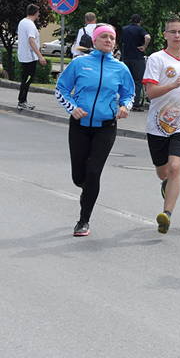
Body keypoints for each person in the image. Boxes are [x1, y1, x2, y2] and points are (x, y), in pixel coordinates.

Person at [55, 24, 135, 236]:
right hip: (79, 126)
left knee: (93, 172)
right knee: (78, 176)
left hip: (106, 127)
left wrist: (125, 107)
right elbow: (61, 88)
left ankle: (83, 221)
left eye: (112, 38)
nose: (109, 40)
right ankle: (86, 188)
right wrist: (72, 108)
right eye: (104, 37)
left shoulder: (120, 68)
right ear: (95, 40)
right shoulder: (79, 63)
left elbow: (129, 94)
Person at [142, 17, 180, 234]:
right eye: (172, 32)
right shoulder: (156, 59)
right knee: (163, 172)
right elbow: (150, 93)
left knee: (176, 167)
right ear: (165, 35)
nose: (177, 36)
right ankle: (166, 184)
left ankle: (166, 215)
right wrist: (173, 84)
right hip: (158, 124)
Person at [15, 4, 47, 110]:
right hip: (30, 57)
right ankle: (22, 101)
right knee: (27, 80)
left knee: (25, 79)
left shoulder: (22, 22)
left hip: (24, 56)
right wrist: (40, 56)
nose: (39, 14)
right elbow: (31, 40)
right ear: (35, 13)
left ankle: (22, 101)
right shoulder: (30, 25)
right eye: (38, 12)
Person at [120, 14, 151, 110]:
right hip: (137, 57)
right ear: (140, 21)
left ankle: (124, 101)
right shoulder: (140, 29)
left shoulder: (124, 29)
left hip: (126, 57)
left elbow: (121, 41)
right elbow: (148, 37)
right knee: (137, 81)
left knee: (126, 80)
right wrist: (144, 46)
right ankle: (135, 103)